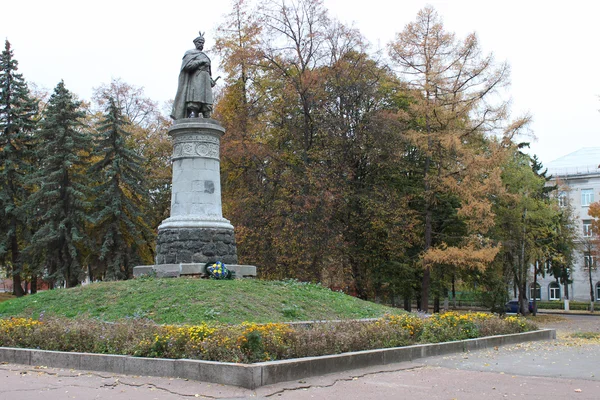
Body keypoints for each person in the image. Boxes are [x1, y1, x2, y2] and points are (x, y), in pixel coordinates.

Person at [171, 32, 217, 119]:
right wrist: (201, 62)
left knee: (207, 103)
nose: (201, 44)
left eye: (202, 43)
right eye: (199, 42)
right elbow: (187, 67)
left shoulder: (205, 56)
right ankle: (192, 114)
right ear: (195, 43)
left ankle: (207, 116)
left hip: (206, 81)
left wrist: (211, 80)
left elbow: (208, 71)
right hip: (195, 80)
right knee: (194, 101)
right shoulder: (190, 53)